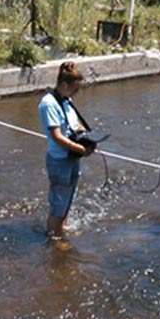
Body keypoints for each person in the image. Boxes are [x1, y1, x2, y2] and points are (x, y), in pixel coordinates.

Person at [38, 61, 94, 242]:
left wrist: (85, 136)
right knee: (58, 204)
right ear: (64, 85)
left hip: (71, 157)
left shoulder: (66, 99)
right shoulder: (49, 104)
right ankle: (54, 240)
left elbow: (73, 124)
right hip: (59, 160)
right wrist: (82, 150)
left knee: (68, 198)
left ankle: (62, 230)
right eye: (75, 89)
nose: (76, 93)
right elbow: (57, 136)